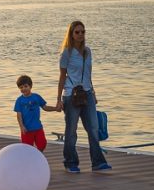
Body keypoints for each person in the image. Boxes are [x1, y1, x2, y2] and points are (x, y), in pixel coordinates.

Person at [56, 20, 111, 173]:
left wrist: (93, 92)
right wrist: (58, 99)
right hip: (71, 95)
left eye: (83, 32)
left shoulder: (88, 51)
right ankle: (70, 162)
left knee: (93, 128)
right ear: (71, 34)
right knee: (71, 131)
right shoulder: (66, 53)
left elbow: (88, 74)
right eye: (77, 32)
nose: (80, 34)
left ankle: (98, 162)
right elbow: (62, 77)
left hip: (87, 93)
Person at [14, 75, 57, 151]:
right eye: (21, 87)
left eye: (25, 86)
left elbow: (45, 107)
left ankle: (38, 155)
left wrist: (55, 108)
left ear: (30, 86)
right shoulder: (19, 100)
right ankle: (29, 160)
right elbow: (19, 115)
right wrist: (21, 126)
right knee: (27, 148)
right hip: (26, 129)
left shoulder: (36, 97)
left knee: (42, 144)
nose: (23, 89)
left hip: (38, 128)